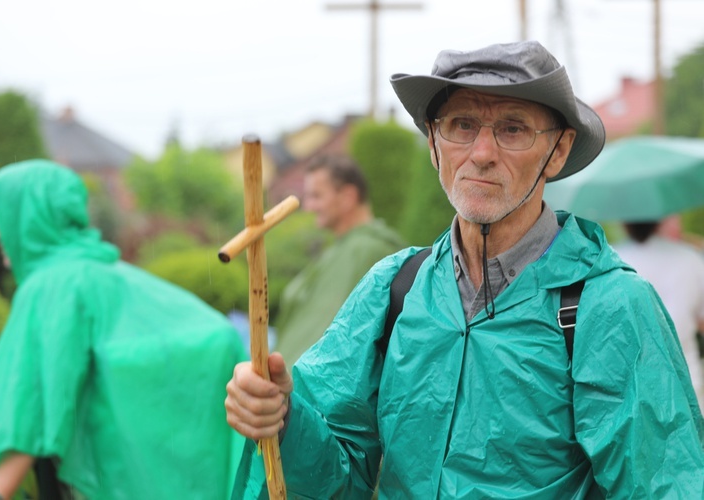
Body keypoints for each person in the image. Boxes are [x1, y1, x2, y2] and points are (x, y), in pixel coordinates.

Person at [224, 40, 704, 498]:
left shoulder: (609, 306)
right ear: (434, 143)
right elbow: (336, 475)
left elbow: (666, 484)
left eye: (513, 129)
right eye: (461, 125)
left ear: (557, 151)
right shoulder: (393, 289)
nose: (481, 153)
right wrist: (284, 417)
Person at [0, 159, 247, 500]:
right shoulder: (102, 269)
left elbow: (34, 403)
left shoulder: (52, 284)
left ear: (31, 216)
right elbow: (216, 335)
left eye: (0, 217)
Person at [274, 155, 406, 368]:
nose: (308, 207)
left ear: (347, 197)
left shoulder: (366, 251)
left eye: (316, 196)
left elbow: (335, 338)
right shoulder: (343, 247)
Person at [615, 216, 704, 409]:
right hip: (687, 387)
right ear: (661, 219)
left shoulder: (611, 260)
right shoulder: (689, 258)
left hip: (632, 393)